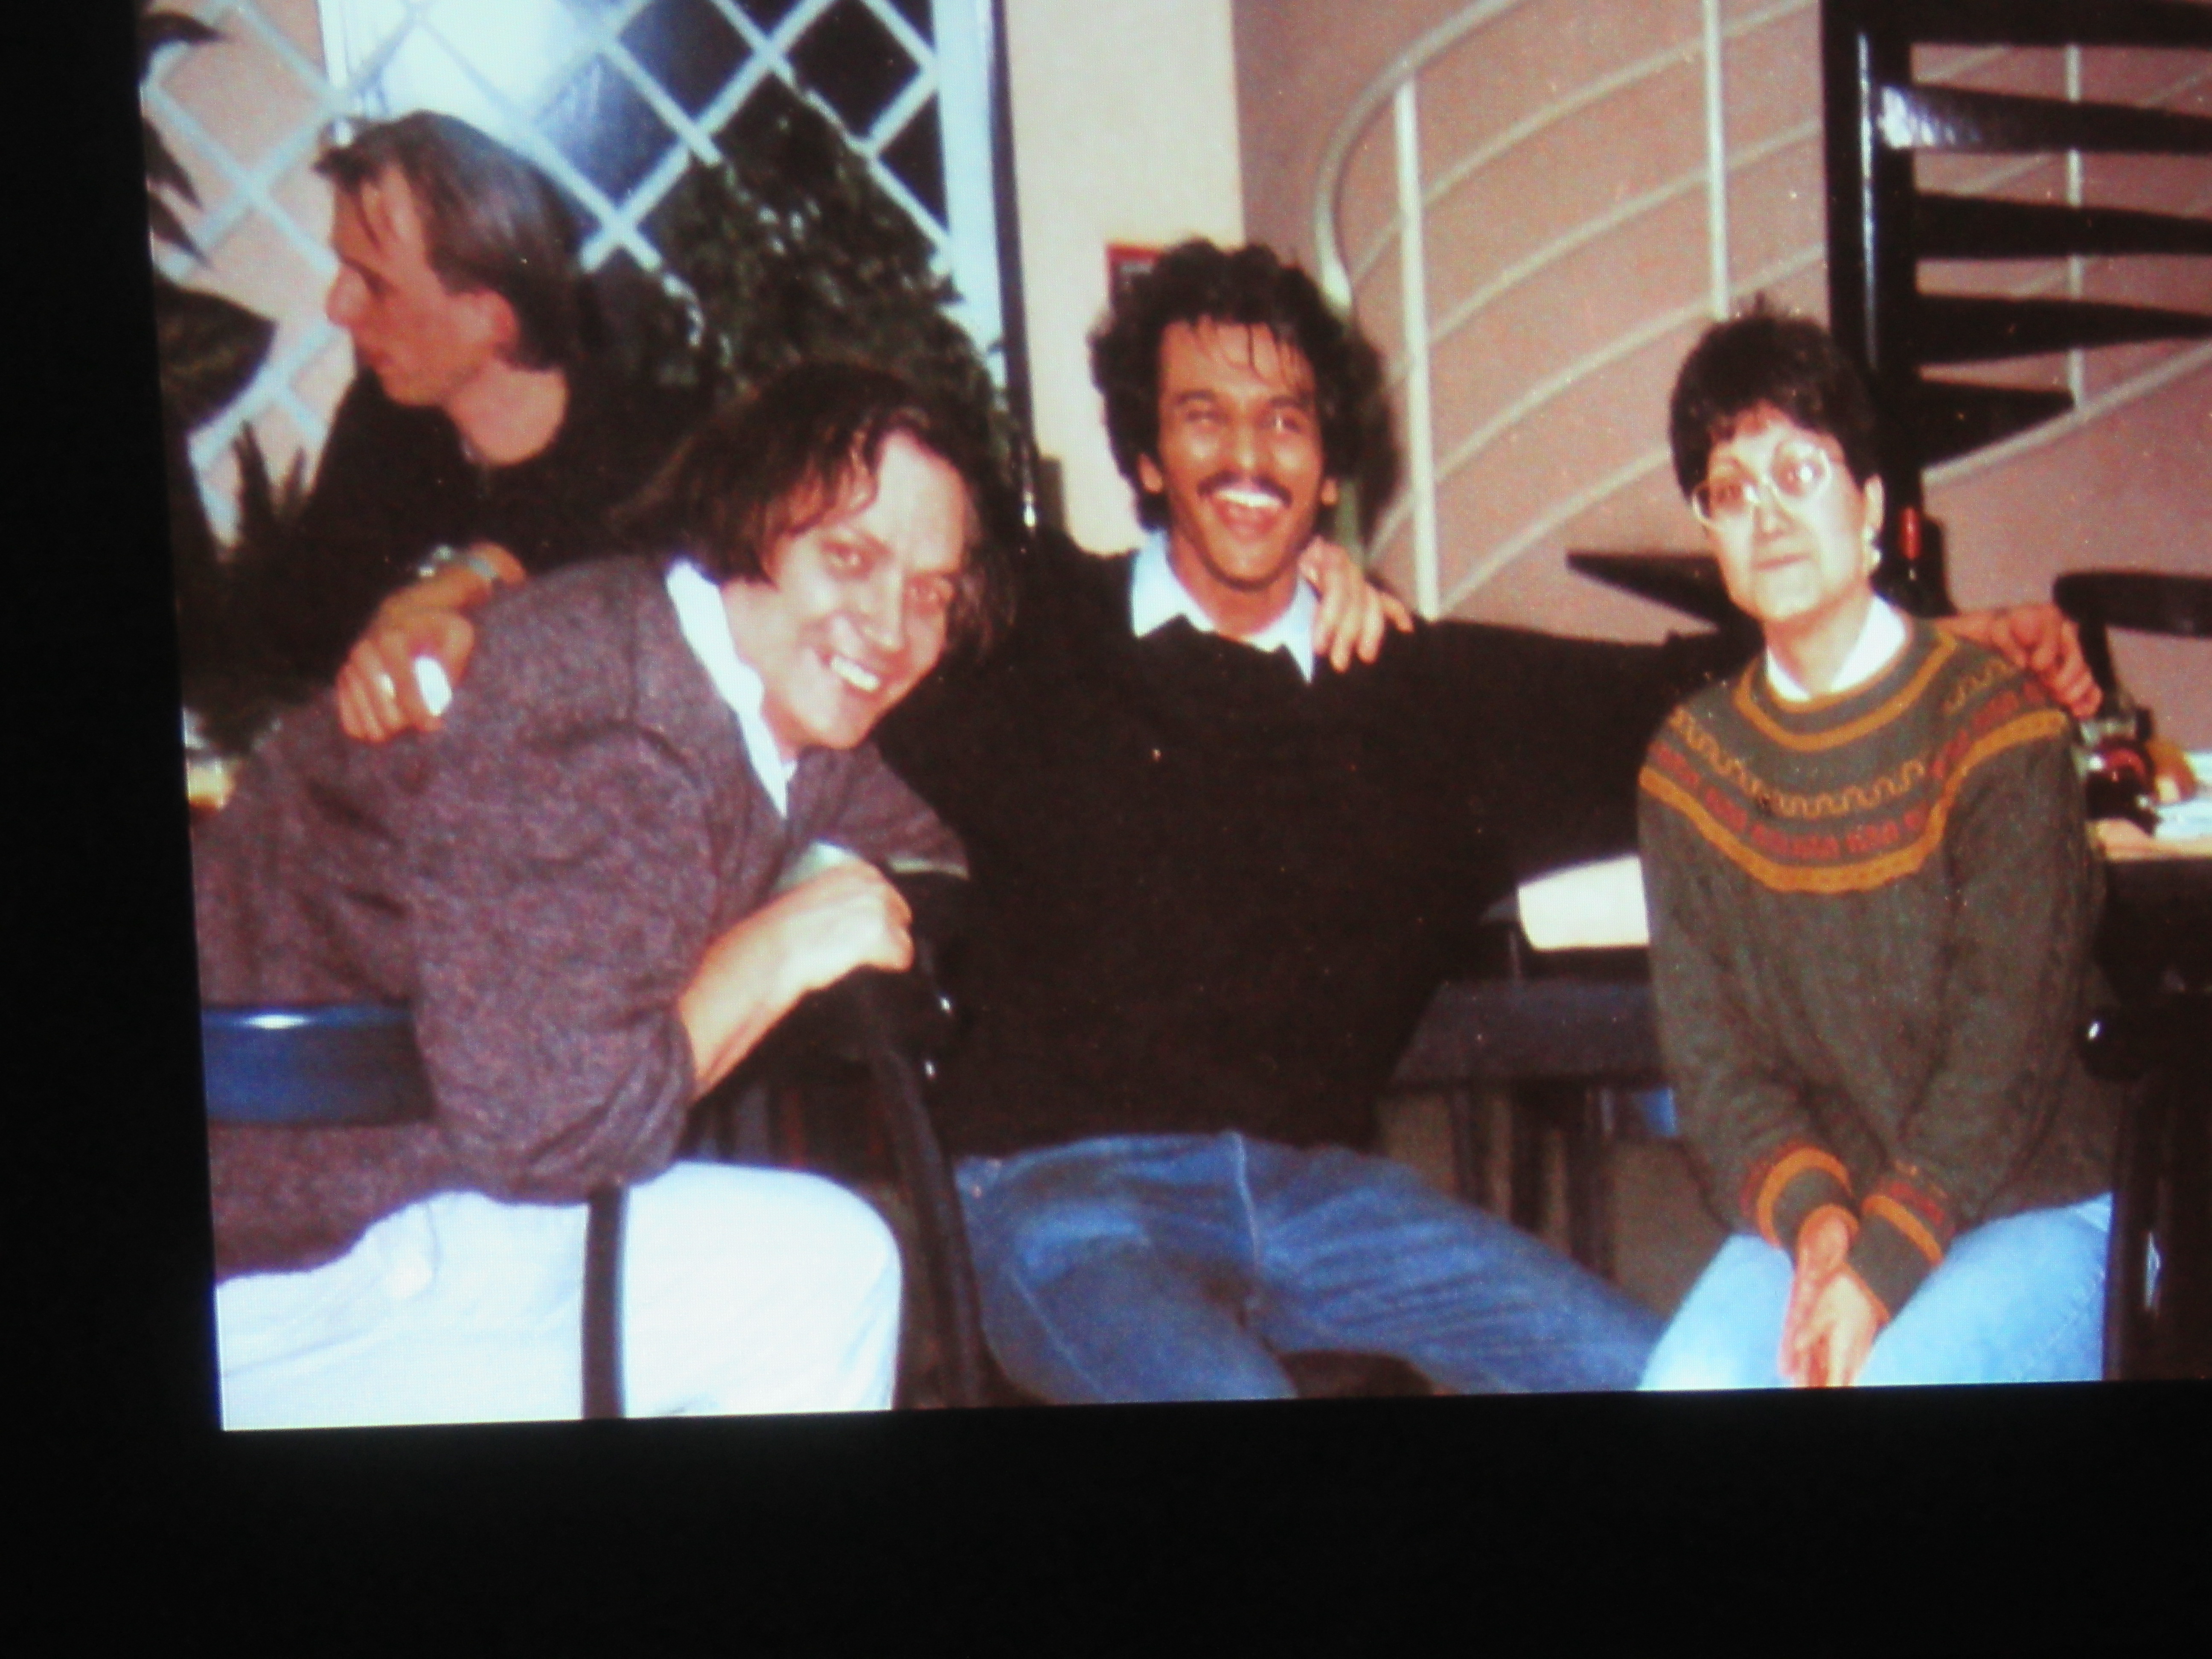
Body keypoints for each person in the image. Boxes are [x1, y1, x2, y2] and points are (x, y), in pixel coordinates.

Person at [351, 241, 2097, 1405]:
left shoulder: (1412, 683)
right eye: (1203, 417)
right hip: (1061, 1195)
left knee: (1662, 1380)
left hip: (1327, 1197)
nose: (1248, 454)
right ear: (1145, 457)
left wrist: (1959, 644)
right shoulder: (1001, 635)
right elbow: (740, 556)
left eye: (1284, 420)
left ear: (1329, 464)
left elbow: (1706, 682)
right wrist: (469, 585)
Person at [196, 361, 1012, 1427]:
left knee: (835, 1264)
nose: (892, 627)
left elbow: (921, 847)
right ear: (744, 521)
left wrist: (815, 904)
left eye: (932, 592)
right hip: (282, 1282)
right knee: (823, 1282)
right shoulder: (621, 734)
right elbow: (555, 1134)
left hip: (426, 1195)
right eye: (849, 558)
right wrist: (773, 951)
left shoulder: (754, 701)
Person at [1635, 306, 2119, 1390]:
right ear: (1710, 534)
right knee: (1687, 1387)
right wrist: (1817, 1228)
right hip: (1835, 1209)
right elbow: (1719, 1075)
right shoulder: (1690, 769)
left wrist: (1882, 1271)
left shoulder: (1999, 730)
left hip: (2035, 1200)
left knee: (1884, 1385)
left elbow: (2002, 1060)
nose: (1767, 514)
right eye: (1729, 490)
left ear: (1870, 508)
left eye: (1800, 472)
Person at [268, 111, 699, 716]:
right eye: (343, 266)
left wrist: (472, 578)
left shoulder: (656, 447)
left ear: (491, 319)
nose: (337, 306)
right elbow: (297, 654)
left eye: (375, 284)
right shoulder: (381, 424)